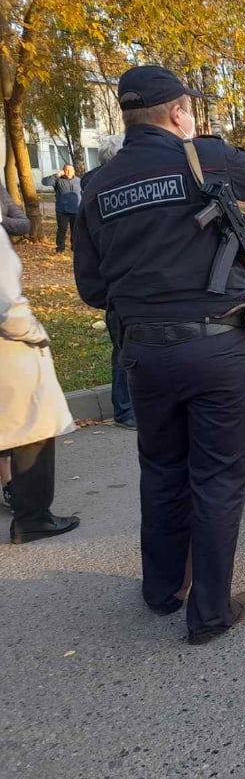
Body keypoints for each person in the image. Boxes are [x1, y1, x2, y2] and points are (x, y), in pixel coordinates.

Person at [72, 65, 245, 644]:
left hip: (143, 354)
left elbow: (92, 289)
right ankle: (210, 614)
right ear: (176, 113)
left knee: (162, 472)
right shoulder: (204, 157)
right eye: (189, 107)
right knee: (217, 478)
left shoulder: (96, 185)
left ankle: (162, 591)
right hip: (218, 349)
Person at [1, 181, 81, 544]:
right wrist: (34, 331)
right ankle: (32, 517)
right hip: (10, 350)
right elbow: (6, 305)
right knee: (32, 431)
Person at [82, 134, 137, 430]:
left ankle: (129, 407)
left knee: (126, 347)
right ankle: (125, 410)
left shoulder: (94, 185)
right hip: (119, 282)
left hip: (115, 284)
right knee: (124, 350)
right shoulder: (107, 189)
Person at [53, 163, 81, 253]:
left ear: (74, 171)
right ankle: (60, 248)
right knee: (62, 230)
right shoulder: (58, 180)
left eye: (70, 170)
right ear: (63, 171)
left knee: (75, 230)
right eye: (66, 170)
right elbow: (45, 182)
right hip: (62, 210)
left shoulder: (79, 181)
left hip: (75, 210)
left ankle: (75, 247)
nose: (68, 172)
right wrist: (57, 175)